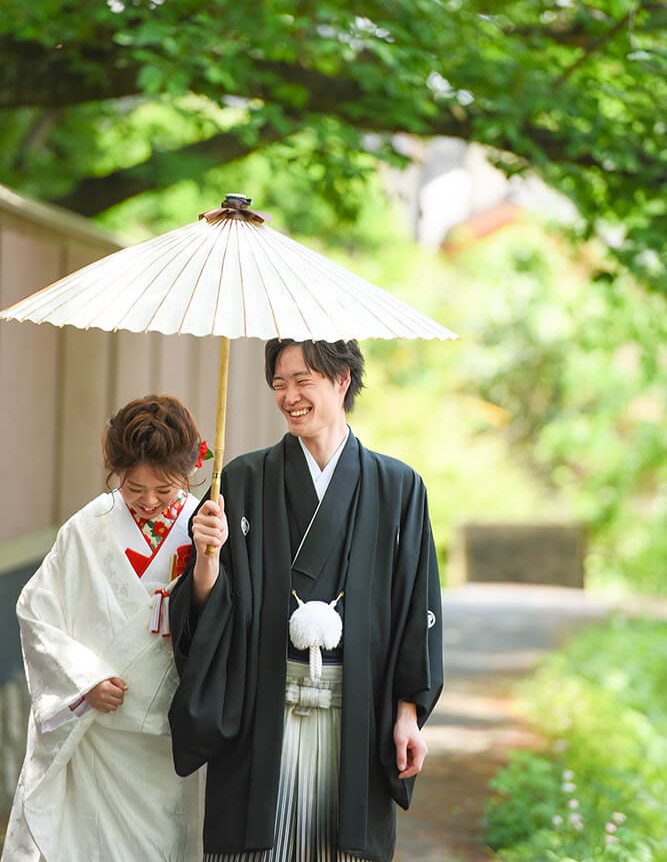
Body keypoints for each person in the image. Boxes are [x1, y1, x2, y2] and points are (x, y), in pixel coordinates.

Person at [170, 339, 443, 862]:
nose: (289, 395)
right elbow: (205, 613)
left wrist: (407, 713)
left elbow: (417, 608)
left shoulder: (399, 486)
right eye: (278, 383)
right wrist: (207, 557)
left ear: (342, 381)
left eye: (302, 381)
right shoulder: (241, 482)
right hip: (259, 707)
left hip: (358, 710)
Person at [2, 394, 206, 862]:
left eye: (165, 490)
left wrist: (209, 558)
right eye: (134, 489)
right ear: (115, 471)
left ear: (189, 471)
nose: (150, 503)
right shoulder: (88, 527)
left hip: (168, 740)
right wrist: (84, 681)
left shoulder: (203, 525)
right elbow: (36, 611)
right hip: (98, 730)